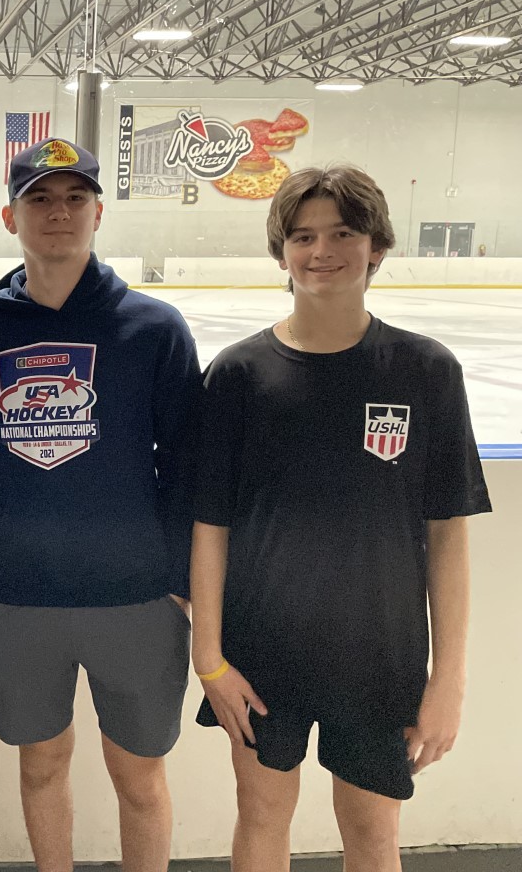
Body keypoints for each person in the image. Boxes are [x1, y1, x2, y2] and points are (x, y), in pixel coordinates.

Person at [189, 165, 491, 872]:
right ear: (282, 252)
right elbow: (210, 528)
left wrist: (447, 680)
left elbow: (448, 535)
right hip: (261, 651)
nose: (321, 251)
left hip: (380, 653)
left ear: (376, 246)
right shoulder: (238, 375)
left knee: (373, 831)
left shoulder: (426, 371)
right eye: (303, 236)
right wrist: (209, 659)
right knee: (261, 814)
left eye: (343, 233)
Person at [0, 138, 200, 872]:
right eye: (40, 199)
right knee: (41, 766)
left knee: (140, 780)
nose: (59, 212)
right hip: (17, 599)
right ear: (9, 216)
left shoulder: (154, 329)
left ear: (98, 213)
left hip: (137, 601)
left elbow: (189, 466)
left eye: (75, 198)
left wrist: (177, 580)